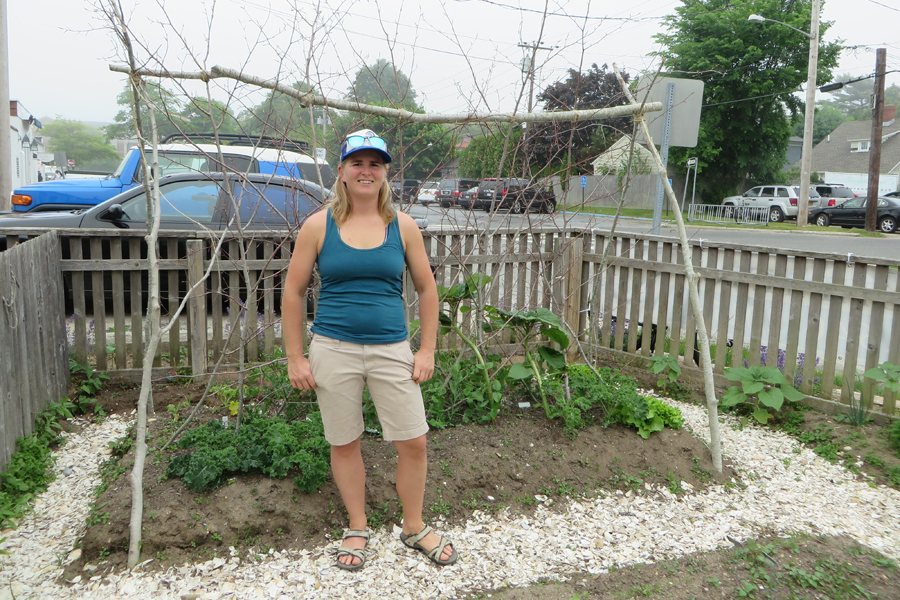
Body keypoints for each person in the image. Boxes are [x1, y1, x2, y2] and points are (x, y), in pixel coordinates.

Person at [282, 129, 456, 571]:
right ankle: (357, 526)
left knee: (413, 440)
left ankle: (413, 526)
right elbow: (293, 291)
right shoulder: (319, 226)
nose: (365, 171)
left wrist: (427, 350)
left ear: (385, 173)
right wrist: (295, 356)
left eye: (374, 164)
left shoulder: (404, 226)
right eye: (357, 163)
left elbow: (427, 289)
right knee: (345, 442)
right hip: (332, 350)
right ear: (341, 172)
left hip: (392, 349)